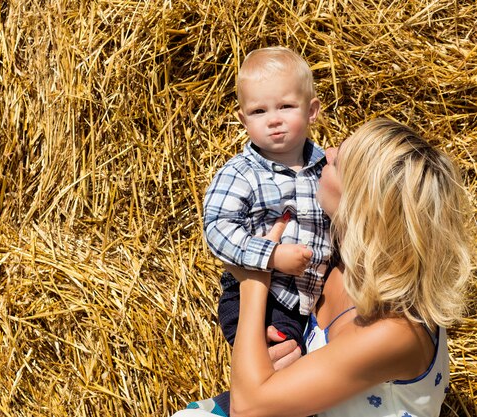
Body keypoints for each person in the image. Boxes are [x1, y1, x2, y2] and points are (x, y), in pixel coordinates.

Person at [175, 118, 472, 417]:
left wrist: (254, 277)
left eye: (338, 162)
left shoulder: (397, 330)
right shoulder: (337, 263)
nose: (326, 152)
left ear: (360, 205)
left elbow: (249, 407)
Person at [193, 46, 332, 415]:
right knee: (281, 373)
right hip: (260, 300)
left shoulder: (324, 170)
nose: (273, 119)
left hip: (309, 304)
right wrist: (270, 255)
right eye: (259, 111)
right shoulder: (240, 174)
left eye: (285, 106)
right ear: (243, 119)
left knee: (305, 375)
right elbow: (218, 230)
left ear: (312, 110)